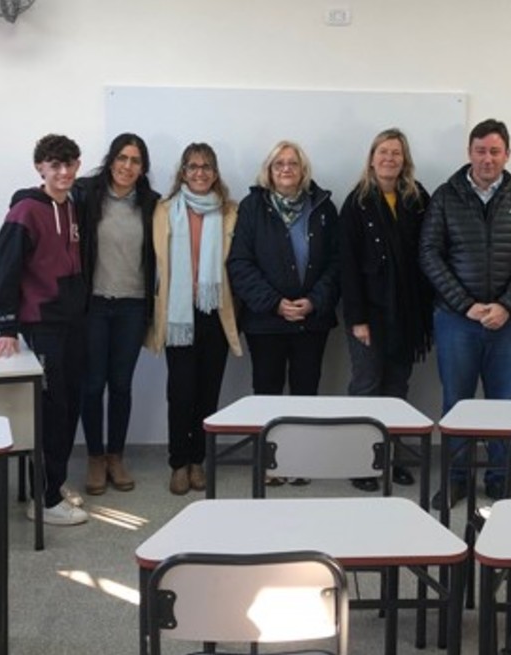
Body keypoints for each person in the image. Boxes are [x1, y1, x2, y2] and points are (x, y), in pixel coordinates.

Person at [419, 118, 511, 505]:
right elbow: (429, 253)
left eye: (495, 151)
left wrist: (506, 305)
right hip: (457, 320)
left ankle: (498, 479)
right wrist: (467, 305)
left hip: (509, 320)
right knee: (457, 402)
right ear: (469, 152)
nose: (487, 158)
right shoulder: (445, 195)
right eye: (480, 150)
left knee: (502, 403)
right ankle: (456, 478)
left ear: (507, 154)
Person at [0, 134, 89, 526]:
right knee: (51, 411)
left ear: (78, 165)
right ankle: (43, 503)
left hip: (73, 323)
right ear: (40, 168)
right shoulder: (26, 211)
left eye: (69, 164)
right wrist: (6, 325)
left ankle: (53, 483)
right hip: (42, 326)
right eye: (54, 165)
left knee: (69, 406)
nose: (63, 172)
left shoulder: (74, 206)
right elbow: (3, 269)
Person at [228, 141, 340, 485]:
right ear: (269, 170)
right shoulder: (251, 208)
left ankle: (300, 461)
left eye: (293, 163)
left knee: (306, 391)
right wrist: (275, 303)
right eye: (279, 164)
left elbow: (337, 263)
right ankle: (271, 463)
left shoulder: (323, 207)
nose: (286, 169)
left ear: (303, 170)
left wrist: (314, 301)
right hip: (266, 320)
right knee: (267, 391)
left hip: (312, 319)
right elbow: (240, 262)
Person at [339, 128, 433, 492]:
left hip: (407, 313)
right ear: (372, 157)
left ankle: (390, 460)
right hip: (370, 314)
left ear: (404, 160)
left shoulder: (416, 198)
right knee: (366, 387)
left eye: (396, 153)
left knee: (396, 390)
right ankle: (362, 462)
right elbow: (347, 265)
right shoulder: (357, 202)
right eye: (383, 152)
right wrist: (357, 319)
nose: (390, 159)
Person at [147, 143, 243, 495]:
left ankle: (198, 461)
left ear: (215, 173)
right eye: (192, 166)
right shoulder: (164, 210)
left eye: (206, 166)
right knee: (180, 391)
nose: (199, 172)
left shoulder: (230, 212)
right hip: (178, 316)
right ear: (182, 173)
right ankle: (178, 463)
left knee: (208, 392)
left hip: (215, 313)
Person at [72, 133, 159, 497]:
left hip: (132, 306)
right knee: (93, 385)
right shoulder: (85, 193)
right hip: (93, 304)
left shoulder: (152, 203)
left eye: (135, 161)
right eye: (122, 158)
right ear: (111, 160)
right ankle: (94, 456)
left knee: (121, 385)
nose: (127, 166)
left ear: (143, 168)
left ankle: (116, 456)